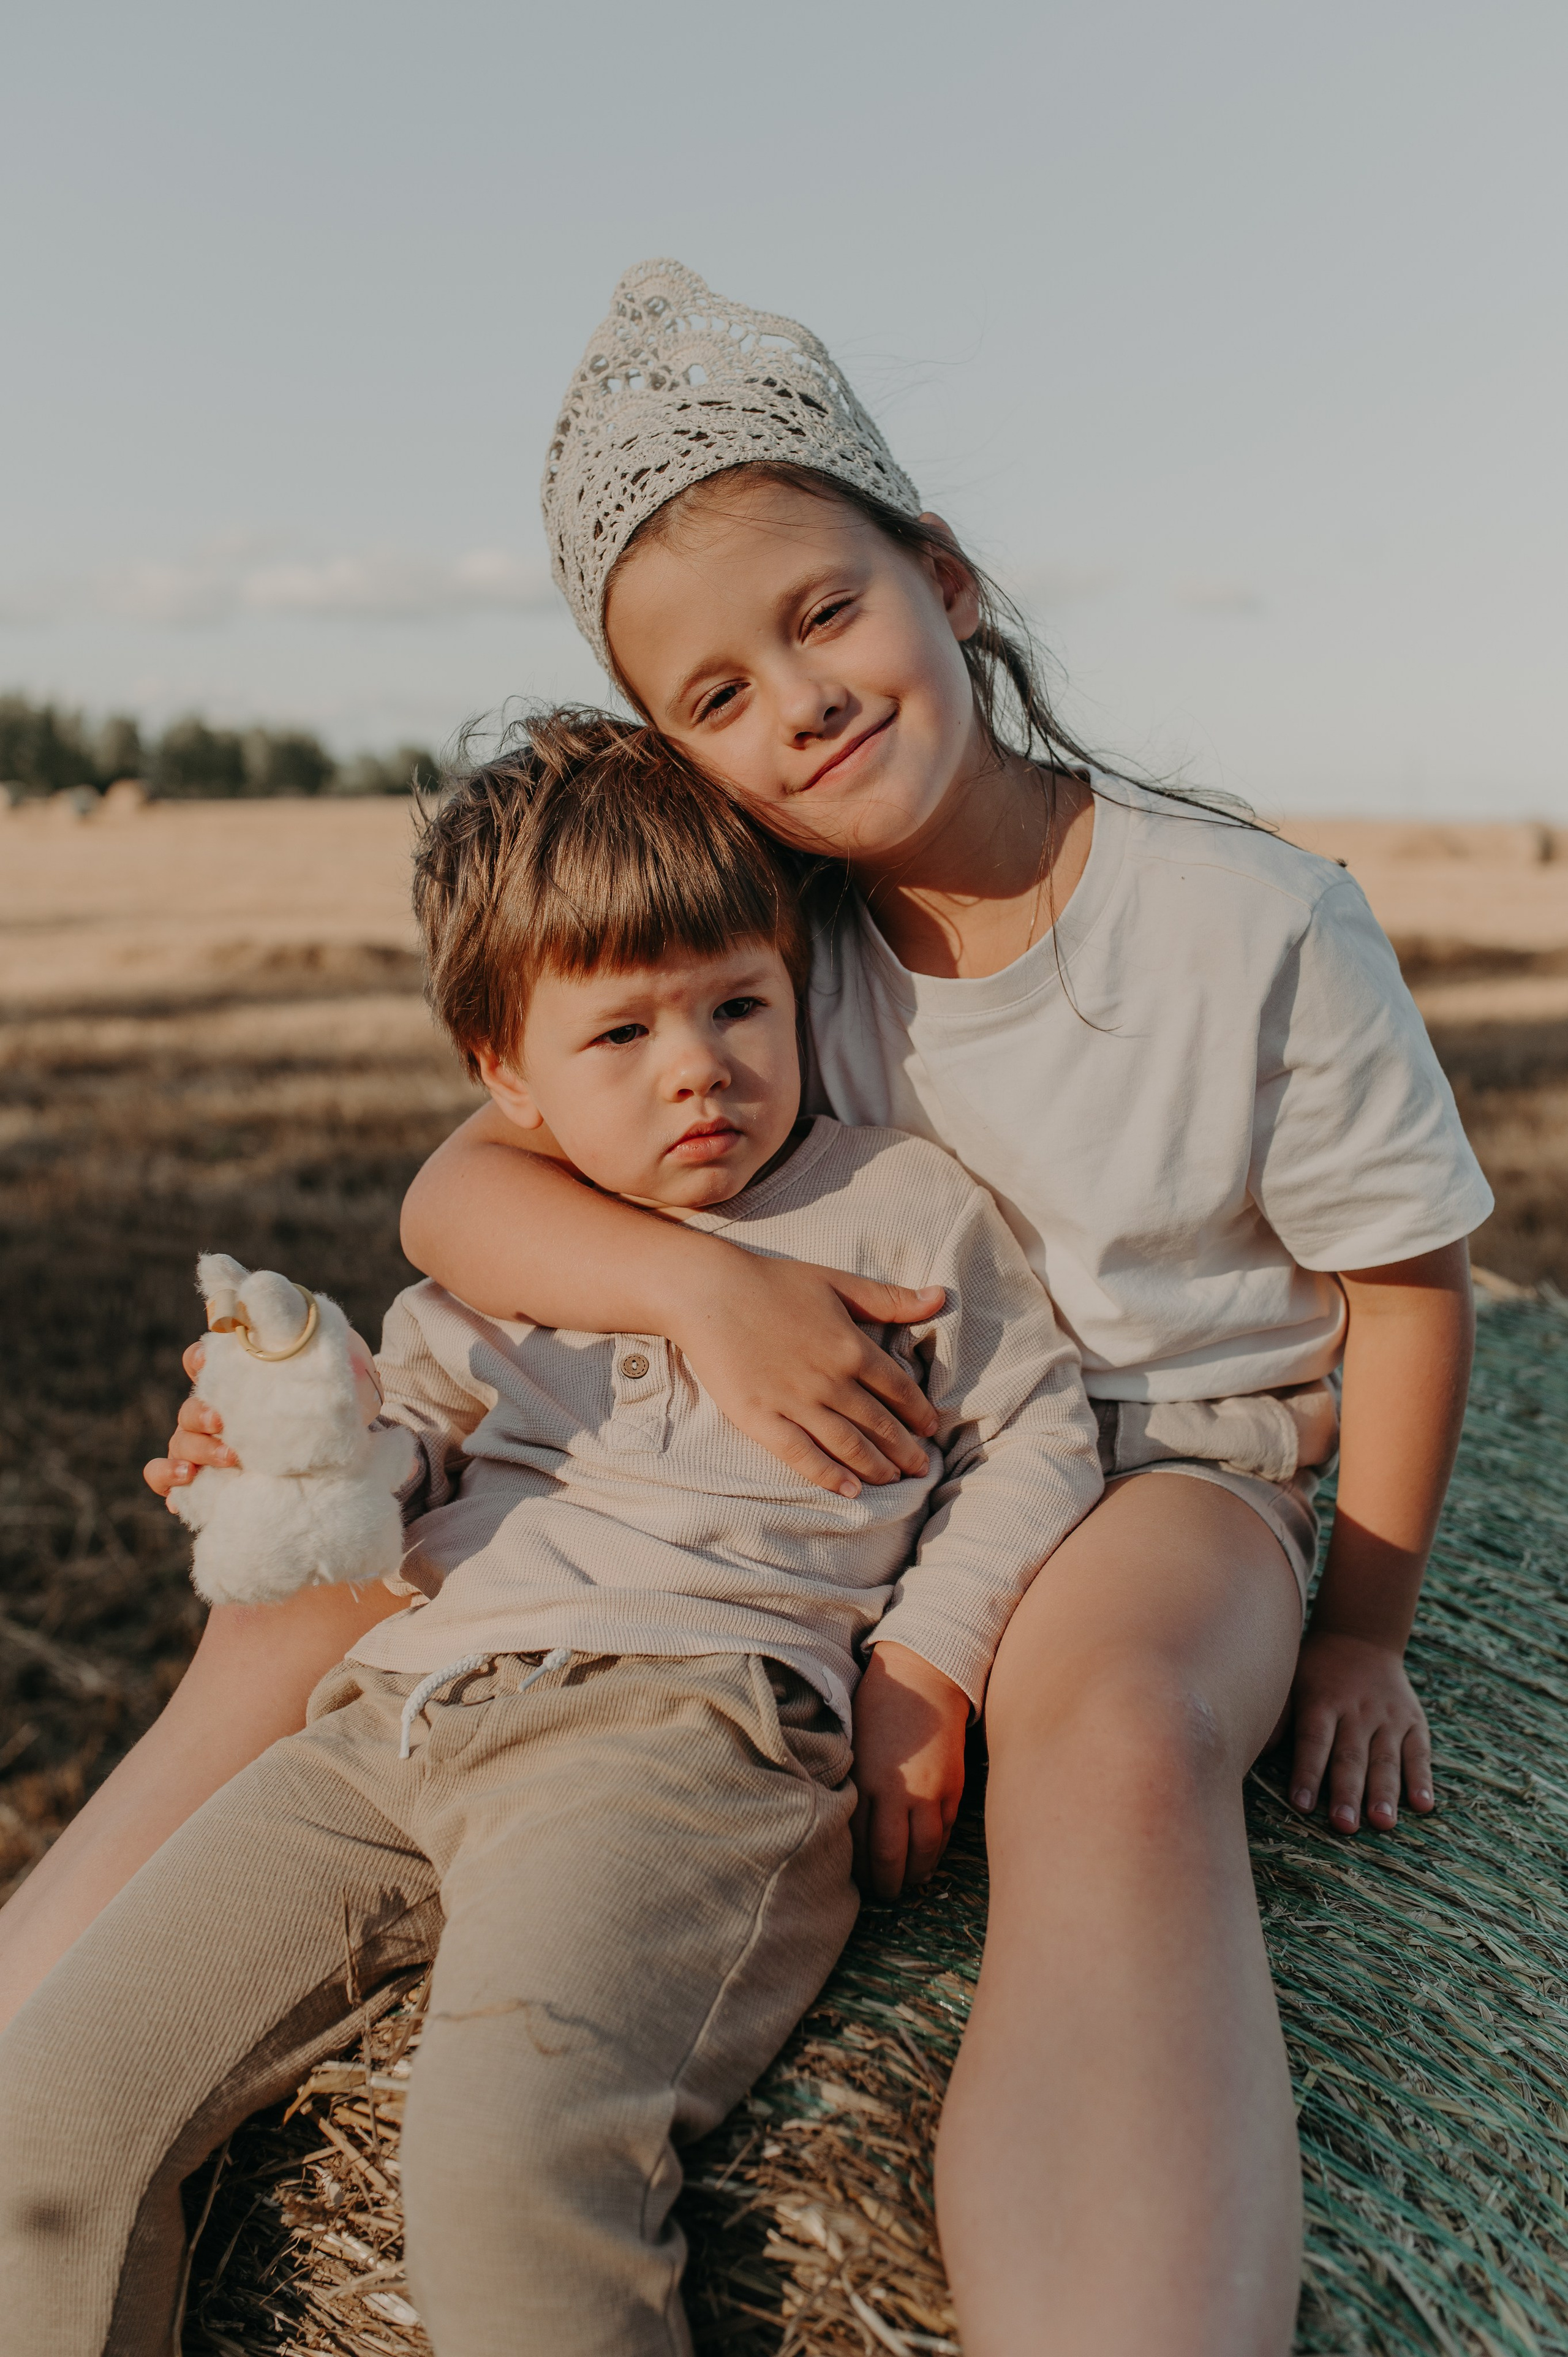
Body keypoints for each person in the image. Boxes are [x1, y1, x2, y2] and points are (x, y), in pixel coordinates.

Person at [386, 262, 1488, 2356]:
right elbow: (461, 1186)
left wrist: (1362, 1631)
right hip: (846, 1473)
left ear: (948, 579)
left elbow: (1410, 1294)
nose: (794, 701)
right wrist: (696, 1285)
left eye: (824, 614)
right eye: (713, 697)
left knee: (1107, 1734)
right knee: (350, 1586)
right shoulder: (767, 950)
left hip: (1160, 1466)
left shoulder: (1248, 922)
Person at [0, 714, 1106, 2356]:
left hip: (687, 1735)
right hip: (394, 1725)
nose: (700, 1067)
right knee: (52, 2116)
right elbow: (406, 1465)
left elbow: (1037, 1440)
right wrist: (295, 1452)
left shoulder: (902, 1211)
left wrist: (930, 1664)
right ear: (505, 1076)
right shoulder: (508, 1259)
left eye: (741, 1004)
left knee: (506, 2173)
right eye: (625, 1034)